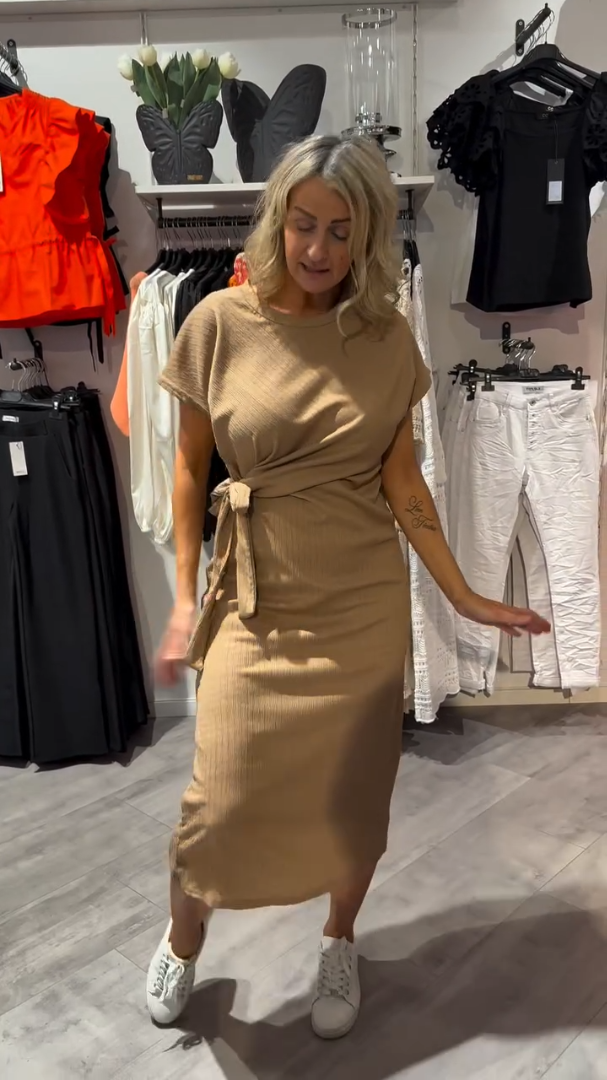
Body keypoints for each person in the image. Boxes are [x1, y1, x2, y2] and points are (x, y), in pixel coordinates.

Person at [149, 134, 550, 1038]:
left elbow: (401, 482)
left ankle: (339, 938)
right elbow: (189, 467)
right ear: (276, 220)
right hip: (256, 601)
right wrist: (180, 597)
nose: (319, 249)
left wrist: (463, 595)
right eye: (303, 225)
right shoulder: (217, 321)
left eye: (341, 230)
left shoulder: (383, 336)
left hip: (360, 607)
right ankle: (182, 937)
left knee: (352, 802)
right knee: (217, 803)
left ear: (367, 236)